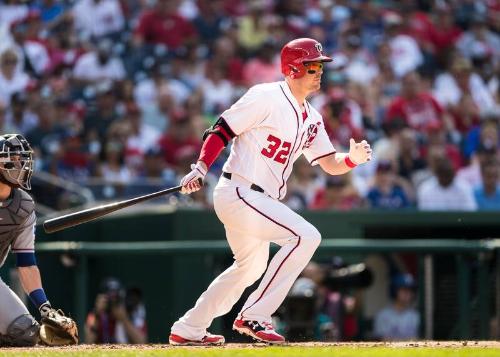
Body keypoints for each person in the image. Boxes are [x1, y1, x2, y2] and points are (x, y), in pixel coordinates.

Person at [169, 38, 372, 345]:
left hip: (257, 200)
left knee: (249, 268)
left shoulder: (312, 117)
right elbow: (221, 129)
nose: (319, 72)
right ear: (292, 69)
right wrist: (200, 167)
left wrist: (352, 160)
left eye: (320, 67)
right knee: (306, 235)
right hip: (240, 191)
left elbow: (330, 163)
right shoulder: (266, 96)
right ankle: (254, 315)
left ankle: (189, 327)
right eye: (312, 66)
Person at [0, 133, 76, 346]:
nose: (20, 164)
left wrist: (45, 308)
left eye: (21, 159)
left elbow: (27, 265)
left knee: (24, 332)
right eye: (11, 160)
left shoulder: (23, 207)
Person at [85, 277, 147, 344]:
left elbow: (142, 342)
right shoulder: (95, 315)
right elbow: (88, 342)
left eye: (116, 297)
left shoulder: (131, 313)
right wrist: (97, 315)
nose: (113, 301)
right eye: (110, 297)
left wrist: (124, 319)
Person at [373, 273, 419, 341]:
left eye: (410, 290)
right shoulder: (383, 315)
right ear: (394, 291)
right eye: (404, 290)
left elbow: (417, 340)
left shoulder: (415, 315)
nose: (408, 294)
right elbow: (381, 340)